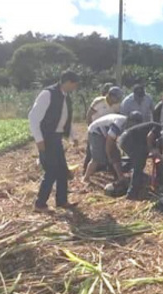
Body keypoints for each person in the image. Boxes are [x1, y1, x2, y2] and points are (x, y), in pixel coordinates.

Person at [28, 71, 79, 212]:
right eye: (74, 85)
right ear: (68, 82)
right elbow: (33, 118)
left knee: (62, 170)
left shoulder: (66, 97)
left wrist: (73, 137)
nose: (75, 88)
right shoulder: (48, 94)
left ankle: (62, 201)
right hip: (47, 137)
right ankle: (40, 204)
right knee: (51, 171)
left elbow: (67, 119)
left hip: (56, 138)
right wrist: (39, 140)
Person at [83, 112, 143, 184]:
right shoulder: (119, 123)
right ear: (130, 120)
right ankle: (86, 178)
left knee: (116, 154)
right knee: (97, 158)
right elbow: (109, 141)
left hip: (106, 133)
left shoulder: (128, 125)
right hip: (96, 131)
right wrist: (109, 155)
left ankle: (120, 177)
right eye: (134, 123)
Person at [83, 87, 124, 174]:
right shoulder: (99, 101)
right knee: (92, 152)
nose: (118, 100)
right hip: (96, 129)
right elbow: (89, 115)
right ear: (110, 96)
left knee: (110, 149)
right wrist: (90, 127)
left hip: (108, 130)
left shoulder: (116, 105)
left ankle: (109, 169)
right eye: (117, 97)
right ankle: (86, 170)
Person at [118, 122, 163, 200]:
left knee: (139, 162)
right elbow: (149, 137)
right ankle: (132, 193)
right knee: (139, 165)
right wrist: (151, 149)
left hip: (125, 139)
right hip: (129, 140)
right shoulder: (159, 127)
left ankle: (138, 187)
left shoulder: (157, 129)